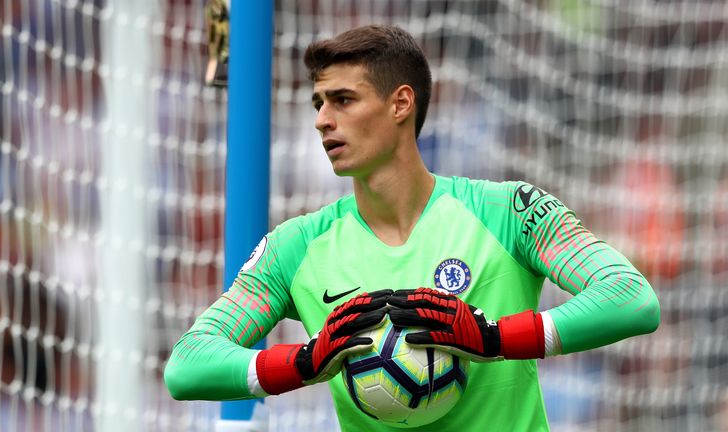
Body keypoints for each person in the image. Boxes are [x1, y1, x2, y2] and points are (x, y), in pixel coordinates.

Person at [164, 24, 660, 431]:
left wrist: (493, 339)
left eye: (342, 100)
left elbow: (631, 298)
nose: (322, 120)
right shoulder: (296, 246)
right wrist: (304, 361)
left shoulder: (509, 212)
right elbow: (187, 365)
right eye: (318, 103)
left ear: (401, 103)